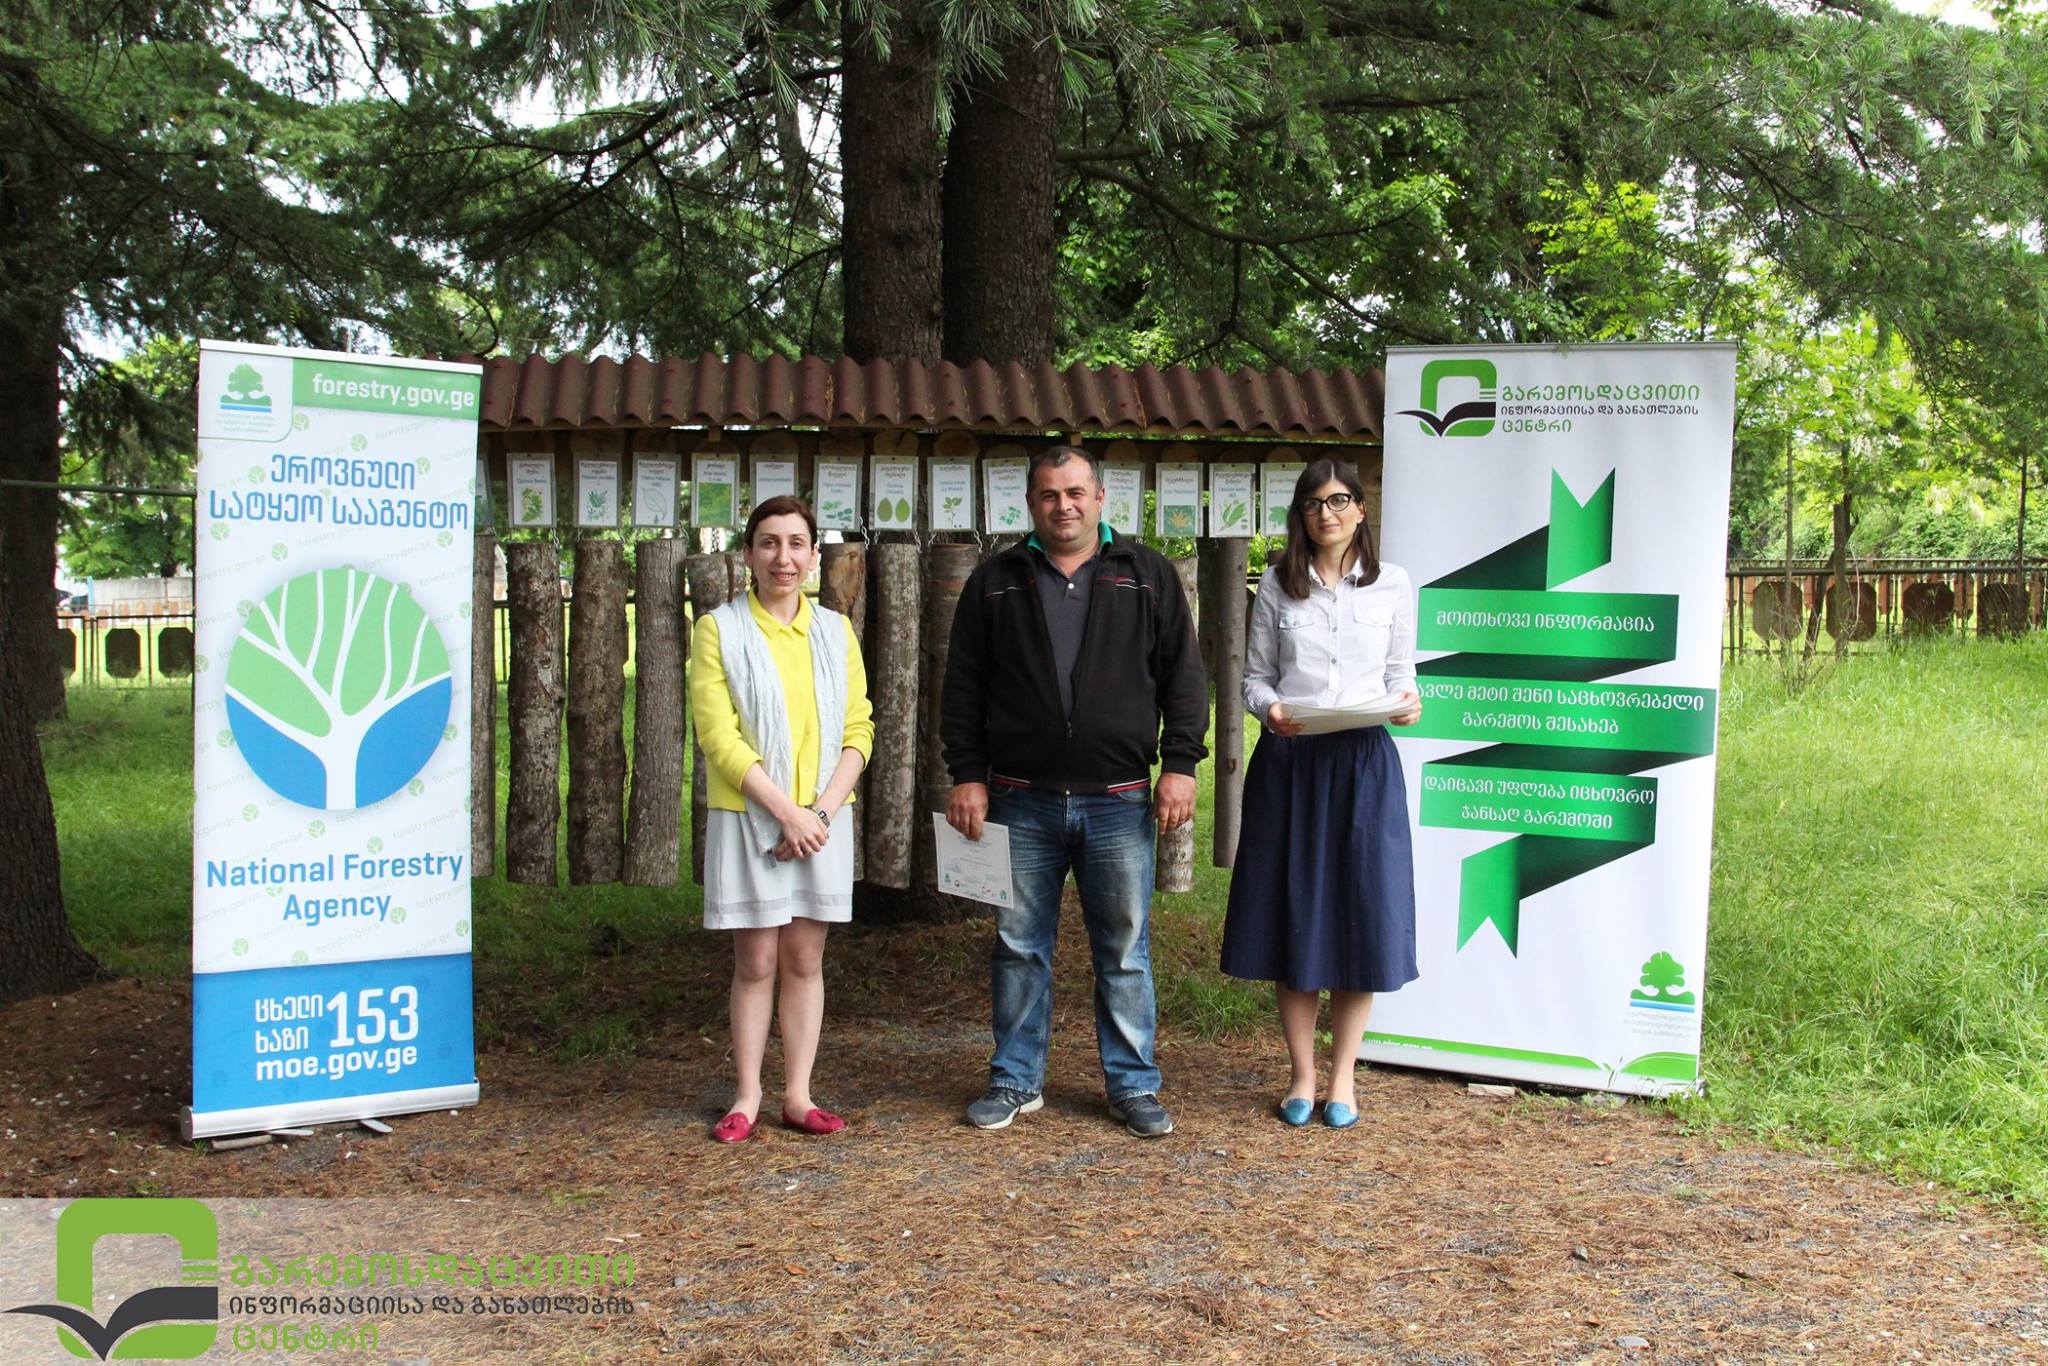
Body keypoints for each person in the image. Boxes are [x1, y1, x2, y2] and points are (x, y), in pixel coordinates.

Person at [941, 444, 1208, 1138]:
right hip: (1018, 796)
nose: (1064, 505)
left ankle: (1133, 1085)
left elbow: (1184, 678)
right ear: (1031, 503)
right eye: (1049, 494)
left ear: (1100, 498)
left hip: (1118, 798)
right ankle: (1015, 1078)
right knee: (1018, 945)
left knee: (1124, 950)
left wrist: (1181, 764)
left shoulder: (1146, 574)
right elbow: (963, 686)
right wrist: (966, 773)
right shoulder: (996, 579)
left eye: (1075, 492)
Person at [1219, 458, 1422, 1129]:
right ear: (1300, 515)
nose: (1325, 514)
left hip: (1364, 763)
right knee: (1296, 912)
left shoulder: (1393, 584)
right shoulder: (1279, 583)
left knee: (1363, 912)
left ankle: (1344, 1080)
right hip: (1293, 762)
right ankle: (1302, 1076)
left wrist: (1408, 701)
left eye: (1338, 501)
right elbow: (1254, 680)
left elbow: (1401, 674)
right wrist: (1270, 711)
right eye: (1312, 503)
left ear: (1361, 509)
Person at [689, 495, 873, 1143]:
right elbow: (719, 737)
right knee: (756, 961)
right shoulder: (719, 629)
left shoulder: (835, 631)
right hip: (752, 818)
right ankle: (747, 1096)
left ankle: (798, 1095)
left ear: (815, 555)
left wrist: (818, 813)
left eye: (796, 544)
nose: (783, 558)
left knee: (803, 958)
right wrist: (786, 813)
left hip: (821, 821)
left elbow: (859, 729)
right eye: (769, 543)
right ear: (748, 554)